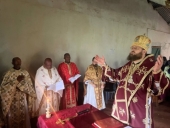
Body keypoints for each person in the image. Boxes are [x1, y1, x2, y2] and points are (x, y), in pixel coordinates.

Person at [95, 35, 170, 128]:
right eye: (132, 48)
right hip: (120, 107)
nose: (132, 50)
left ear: (144, 51)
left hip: (138, 110)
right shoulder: (129, 65)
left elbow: (158, 90)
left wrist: (157, 72)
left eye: (136, 48)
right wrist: (104, 65)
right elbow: (116, 75)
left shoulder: (152, 66)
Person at [0, 57, 36, 128]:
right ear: (12, 63)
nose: (18, 63)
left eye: (19, 62)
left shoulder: (25, 73)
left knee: (24, 115)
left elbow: (29, 86)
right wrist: (16, 82)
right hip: (12, 99)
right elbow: (3, 89)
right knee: (13, 117)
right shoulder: (8, 74)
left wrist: (23, 87)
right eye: (16, 62)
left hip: (23, 97)